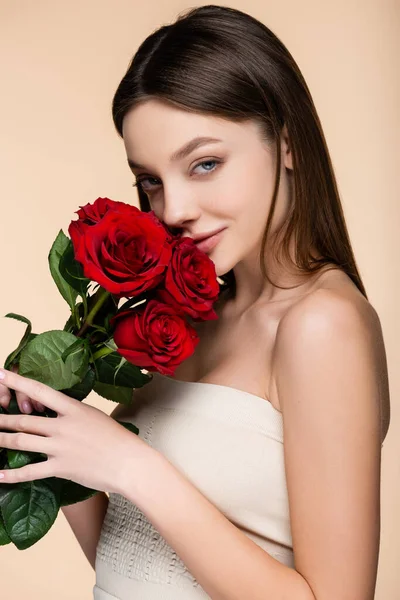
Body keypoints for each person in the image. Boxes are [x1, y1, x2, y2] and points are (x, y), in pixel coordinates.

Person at [0, 5, 390, 599]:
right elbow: (133, 562)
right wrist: (50, 439)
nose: (174, 209)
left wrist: (132, 467)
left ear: (286, 143)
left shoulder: (321, 325)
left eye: (205, 163)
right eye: (150, 179)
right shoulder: (176, 318)